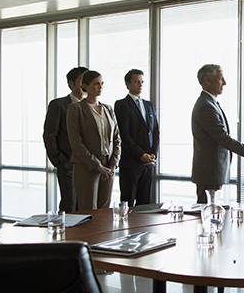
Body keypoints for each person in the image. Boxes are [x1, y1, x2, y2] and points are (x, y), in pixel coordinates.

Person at [191, 64, 244, 203]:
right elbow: (223, 139)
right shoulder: (205, 106)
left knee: (212, 215)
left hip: (212, 172)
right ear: (208, 80)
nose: (225, 83)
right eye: (221, 79)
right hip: (209, 173)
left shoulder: (210, 103)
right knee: (208, 215)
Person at [67, 70, 121, 210]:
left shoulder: (108, 109)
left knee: (104, 212)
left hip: (108, 165)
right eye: (96, 84)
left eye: (102, 84)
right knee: (88, 210)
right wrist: (97, 166)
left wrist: (112, 165)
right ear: (85, 86)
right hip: (86, 166)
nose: (100, 87)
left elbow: (117, 139)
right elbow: (76, 142)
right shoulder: (76, 109)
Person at [43, 66, 87, 212]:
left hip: (89, 166)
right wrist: (59, 161)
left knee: (86, 207)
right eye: (81, 80)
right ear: (71, 83)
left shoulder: (92, 106)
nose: (85, 84)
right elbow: (49, 135)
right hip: (68, 163)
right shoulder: (58, 105)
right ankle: (67, 235)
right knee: (70, 204)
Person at [114, 69, 159, 206]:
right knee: (128, 203)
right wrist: (141, 154)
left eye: (142, 82)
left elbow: (155, 131)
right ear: (128, 84)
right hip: (131, 163)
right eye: (136, 82)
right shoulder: (122, 105)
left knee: (144, 205)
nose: (140, 85)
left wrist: (153, 154)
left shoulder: (148, 105)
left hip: (148, 164)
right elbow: (124, 135)